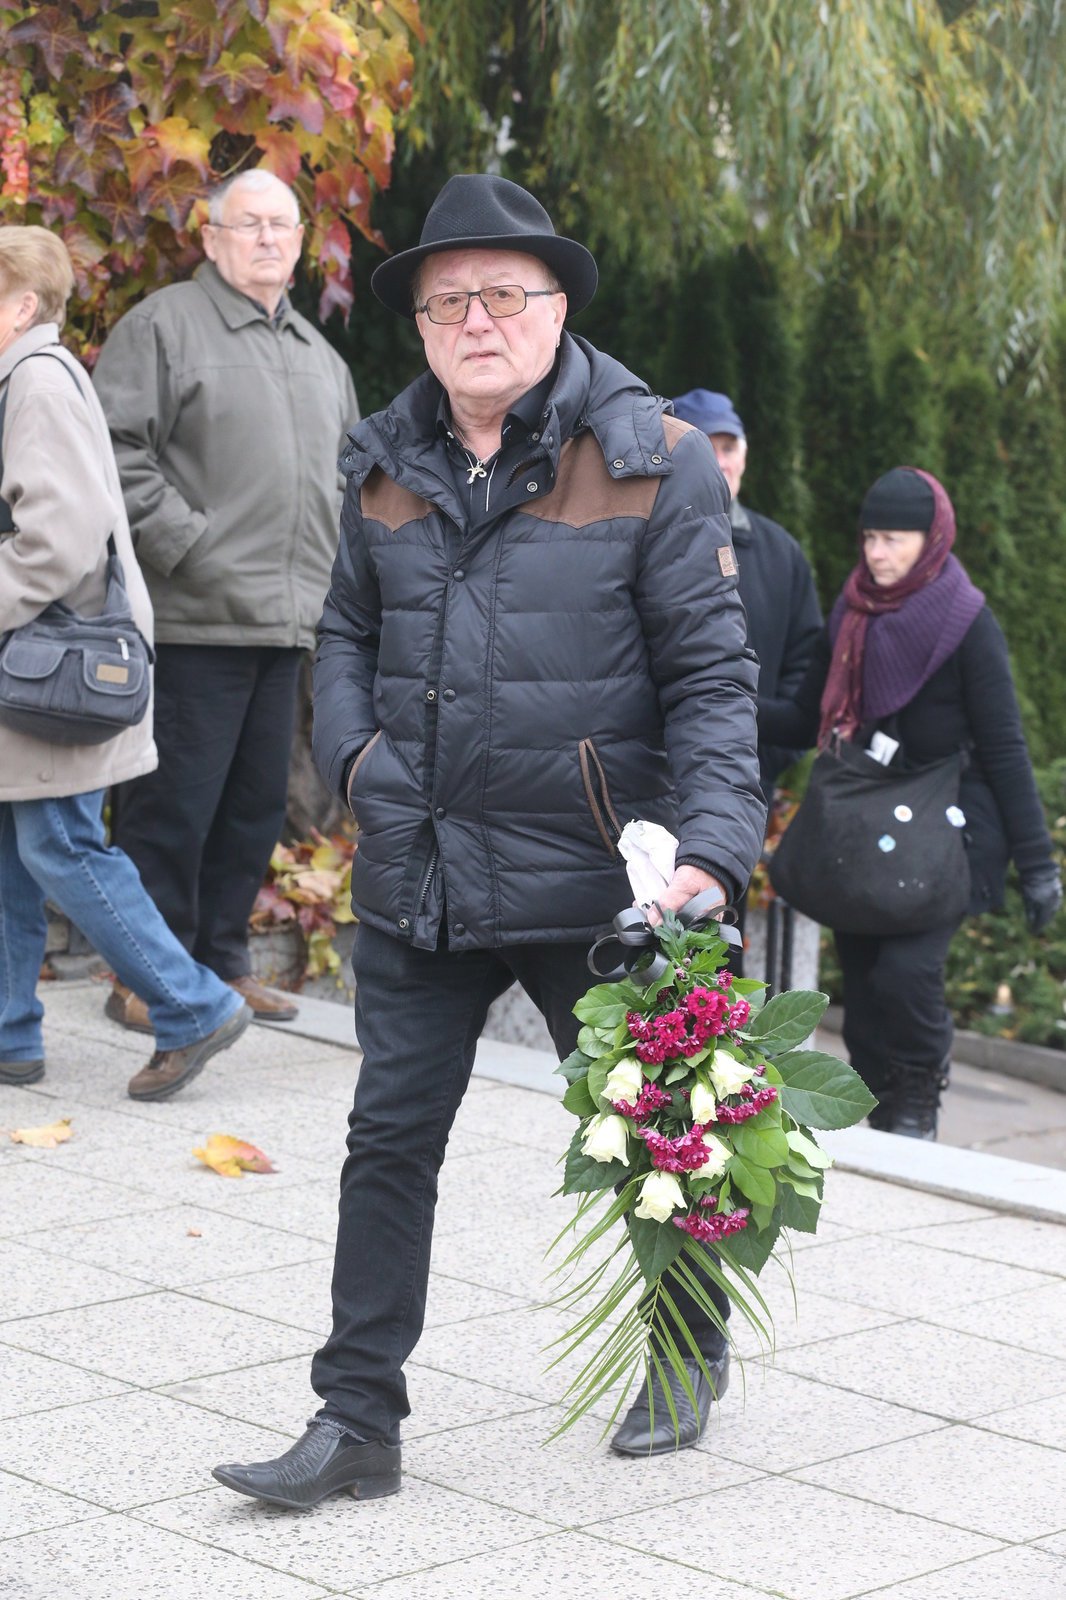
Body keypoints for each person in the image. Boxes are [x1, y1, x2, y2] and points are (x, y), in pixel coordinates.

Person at [212, 174, 766, 1507]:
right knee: (387, 1141)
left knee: (653, 1134)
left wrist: (709, 845)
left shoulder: (654, 460)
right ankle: (356, 1422)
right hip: (425, 865)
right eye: (445, 298)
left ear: (556, 306)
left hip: (596, 877)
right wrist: (356, 763)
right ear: (415, 326)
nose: (474, 318)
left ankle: (684, 1348)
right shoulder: (385, 461)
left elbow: (709, 677)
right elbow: (342, 630)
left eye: (501, 293)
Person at [93, 169, 359, 1032]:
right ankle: (145, 976)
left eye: (285, 225)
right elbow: (114, 455)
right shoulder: (165, 326)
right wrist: (191, 549)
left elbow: (346, 489)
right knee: (171, 810)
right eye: (251, 224)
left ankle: (218, 965)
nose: (271, 239)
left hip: (287, 626)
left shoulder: (321, 358)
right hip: (191, 619)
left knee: (250, 811)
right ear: (211, 238)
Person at [0, 226, 250, 1101]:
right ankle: (8, 1035)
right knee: (11, 845)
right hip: (38, 664)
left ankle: (191, 1006)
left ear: (22, 304)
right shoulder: (27, 379)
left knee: (62, 842)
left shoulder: (33, 382)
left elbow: (58, 541)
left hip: (52, 665)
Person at [759, 466, 1061, 1138]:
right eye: (869, 538)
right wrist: (722, 698)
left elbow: (1007, 748)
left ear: (931, 541)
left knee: (905, 974)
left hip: (949, 829)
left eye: (893, 540)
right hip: (865, 831)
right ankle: (877, 1111)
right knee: (863, 985)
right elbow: (808, 717)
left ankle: (919, 1099)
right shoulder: (852, 612)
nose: (876, 554)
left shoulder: (966, 622)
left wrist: (1037, 866)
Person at [670, 389, 822, 804]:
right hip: (653, 787)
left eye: (729, 446)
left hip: (746, 787)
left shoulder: (782, 553)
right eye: (705, 446)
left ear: (745, 456)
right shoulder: (640, 540)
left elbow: (807, 669)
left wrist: (765, 759)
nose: (720, 461)